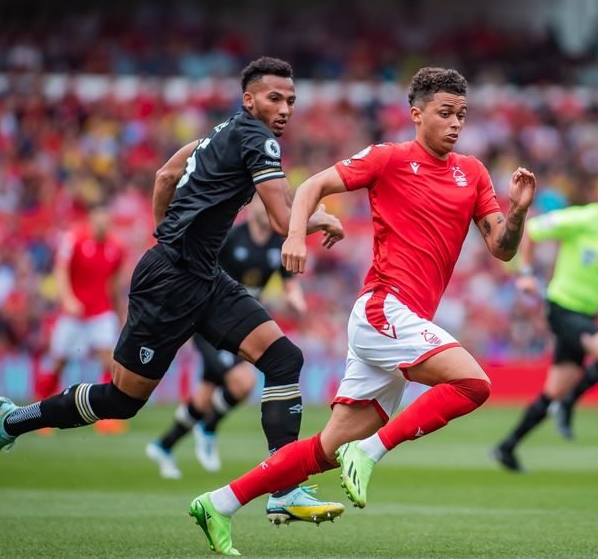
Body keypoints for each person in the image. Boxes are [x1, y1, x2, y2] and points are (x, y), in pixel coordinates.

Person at [0, 57, 347, 525]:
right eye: (275, 98)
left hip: (201, 276)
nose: (285, 108)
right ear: (249, 99)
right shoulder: (258, 139)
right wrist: (318, 219)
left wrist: (166, 234)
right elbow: (279, 219)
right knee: (122, 401)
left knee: (283, 359)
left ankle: (284, 487)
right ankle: (13, 420)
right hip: (171, 283)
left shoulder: (219, 132)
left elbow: (165, 176)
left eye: (291, 100)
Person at [186, 67, 537, 556]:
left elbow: (502, 248)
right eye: (445, 113)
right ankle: (370, 451)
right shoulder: (388, 158)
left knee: (322, 452)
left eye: (462, 114)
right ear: (416, 115)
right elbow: (311, 186)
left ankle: (220, 503)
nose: (456, 123)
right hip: (383, 308)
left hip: (404, 321)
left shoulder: (473, 172)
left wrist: (517, 211)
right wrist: (293, 238)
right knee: (473, 384)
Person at [493, 171, 598, 472]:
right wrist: (526, 273)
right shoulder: (582, 219)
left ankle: (507, 446)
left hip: (587, 313)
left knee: (551, 392)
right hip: (561, 307)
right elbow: (532, 229)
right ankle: (570, 402)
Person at [146, 195, 307, 479]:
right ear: (253, 205)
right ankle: (208, 428)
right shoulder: (233, 237)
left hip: (242, 325)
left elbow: (288, 281)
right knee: (243, 382)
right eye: (261, 202)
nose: (266, 208)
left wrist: (296, 299)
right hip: (211, 322)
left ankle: (164, 445)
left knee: (204, 396)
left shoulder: (278, 243)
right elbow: (204, 270)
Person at [39, 200, 127, 434]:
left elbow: (115, 284)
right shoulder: (74, 239)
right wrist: (67, 299)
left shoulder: (116, 247)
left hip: (101, 311)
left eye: (107, 218)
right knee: (58, 362)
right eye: (99, 217)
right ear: (91, 218)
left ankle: (107, 416)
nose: (103, 223)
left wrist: (120, 313)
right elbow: (61, 271)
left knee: (109, 361)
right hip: (74, 313)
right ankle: (40, 410)